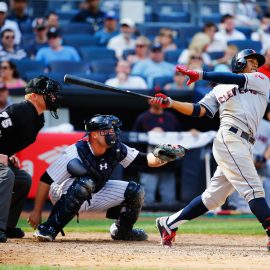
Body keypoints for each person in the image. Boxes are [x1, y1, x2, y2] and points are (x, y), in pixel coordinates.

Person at [150, 49, 270, 250]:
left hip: (245, 143)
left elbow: (233, 79)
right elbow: (199, 110)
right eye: (250, 61)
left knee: (213, 198)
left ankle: (168, 223)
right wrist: (171, 103)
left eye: (256, 62)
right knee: (254, 189)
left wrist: (201, 74)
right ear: (239, 63)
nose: (255, 65)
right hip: (230, 138)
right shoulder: (219, 89)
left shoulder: (261, 79)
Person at [27, 114, 179, 242]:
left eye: (112, 130)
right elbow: (46, 179)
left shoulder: (117, 148)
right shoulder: (74, 152)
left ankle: (123, 231)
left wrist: (162, 156)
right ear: (93, 134)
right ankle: (48, 229)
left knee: (136, 190)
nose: (112, 133)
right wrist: (36, 211)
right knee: (86, 183)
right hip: (62, 192)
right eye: (107, 130)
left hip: (95, 190)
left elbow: (146, 160)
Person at [0, 75, 61, 242]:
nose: (53, 97)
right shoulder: (20, 110)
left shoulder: (37, 118)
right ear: (34, 95)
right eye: (48, 93)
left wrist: (8, 154)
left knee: (23, 179)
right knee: (7, 175)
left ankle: (7, 226)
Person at [132, 99, 182, 205]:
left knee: (169, 200)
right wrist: (150, 134)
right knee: (147, 200)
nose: (158, 102)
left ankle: (168, 221)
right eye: (154, 99)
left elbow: (180, 137)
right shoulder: (143, 118)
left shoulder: (171, 117)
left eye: (161, 99)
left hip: (168, 163)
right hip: (149, 165)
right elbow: (134, 140)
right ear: (149, 100)